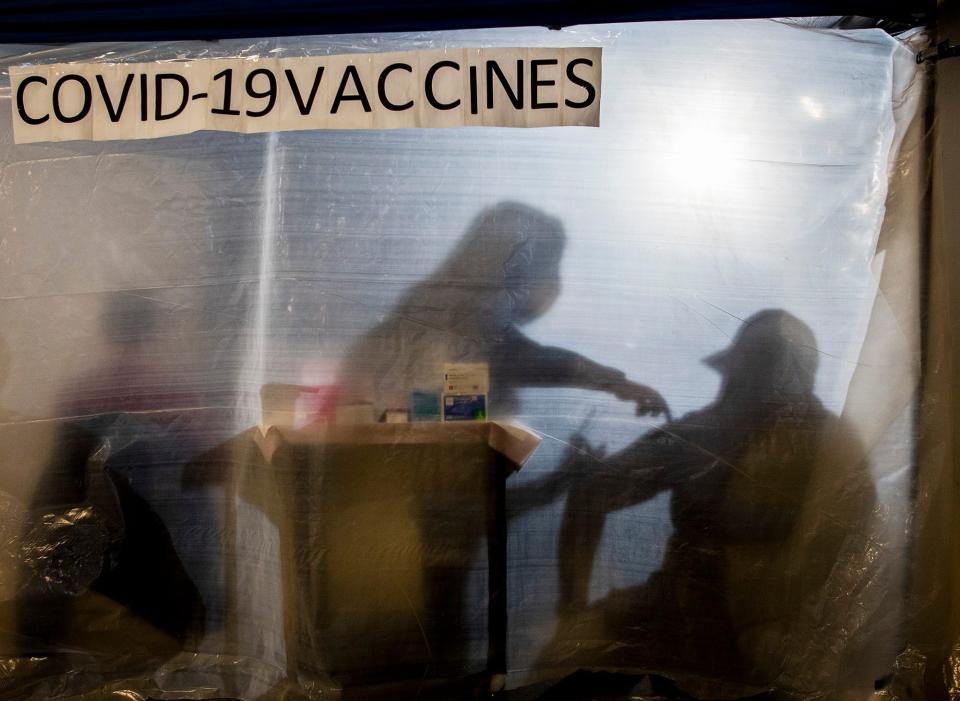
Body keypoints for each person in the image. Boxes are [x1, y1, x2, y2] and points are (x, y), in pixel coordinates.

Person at [544, 310, 879, 699]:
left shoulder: (716, 433)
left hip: (710, 636)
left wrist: (572, 607)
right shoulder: (840, 443)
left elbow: (593, 492)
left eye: (737, 371)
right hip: (785, 649)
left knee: (587, 657)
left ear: (745, 371)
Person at [336, 201, 667, 418]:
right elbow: (452, 422)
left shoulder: (449, 314)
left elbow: (533, 361)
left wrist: (617, 384)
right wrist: (618, 385)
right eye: (546, 266)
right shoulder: (457, 320)